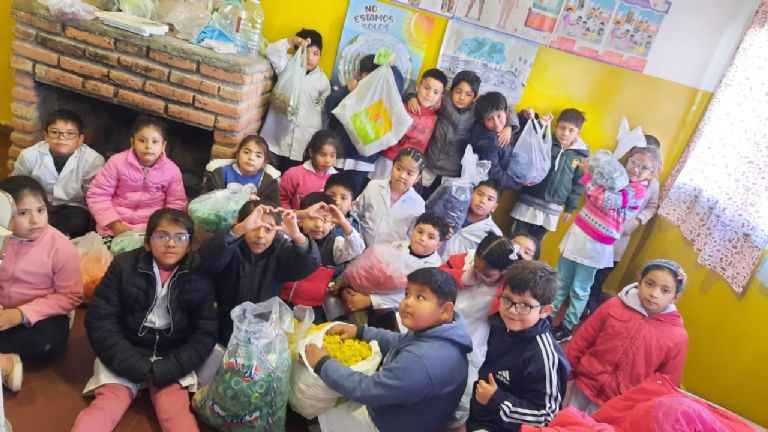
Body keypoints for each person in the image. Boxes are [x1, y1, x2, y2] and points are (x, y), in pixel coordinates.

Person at [73, 209, 217, 432]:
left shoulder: (199, 273)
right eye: (162, 236)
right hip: (126, 348)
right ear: (148, 243)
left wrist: (170, 367)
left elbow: (205, 330)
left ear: (189, 245)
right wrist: (132, 364)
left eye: (180, 237)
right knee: (108, 404)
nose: (171, 243)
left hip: (171, 354)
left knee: (175, 411)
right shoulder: (123, 266)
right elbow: (100, 319)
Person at [304, 267, 473, 432]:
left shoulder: (422, 360)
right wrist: (360, 332)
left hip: (390, 424)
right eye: (407, 294)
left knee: (325, 410)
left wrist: (323, 364)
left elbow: (367, 390)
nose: (407, 302)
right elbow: (399, 341)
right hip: (409, 413)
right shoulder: (441, 332)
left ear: (445, 311)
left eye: (420, 297)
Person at [551, 146, 662, 342]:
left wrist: (588, 177)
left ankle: (567, 326)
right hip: (578, 233)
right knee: (560, 280)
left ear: (651, 173)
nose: (636, 169)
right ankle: (547, 315)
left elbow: (606, 200)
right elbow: (594, 193)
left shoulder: (638, 190)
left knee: (579, 289)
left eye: (644, 167)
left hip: (596, 244)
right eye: (634, 162)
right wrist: (592, 177)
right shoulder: (616, 174)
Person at [564, 260, 689, 415]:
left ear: (675, 297)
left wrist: (644, 411)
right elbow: (583, 339)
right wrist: (566, 371)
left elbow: (665, 383)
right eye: (650, 284)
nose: (654, 294)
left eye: (665, 291)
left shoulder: (676, 336)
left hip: (619, 404)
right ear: (639, 281)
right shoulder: (614, 306)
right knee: (564, 420)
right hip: (583, 385)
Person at [0, 176, 83, 392]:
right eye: (23, 213)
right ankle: (5, 361)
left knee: (48, 342)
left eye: (40, 210)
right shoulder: (1, 238)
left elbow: (70, 296)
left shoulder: (60, 247)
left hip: (40, 315)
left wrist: (20, 314)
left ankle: (5, 359)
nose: (35, 220)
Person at [467, 260, 569, 431]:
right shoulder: (498, 324)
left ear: (545, 311)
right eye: (507, 299)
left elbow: (546, 416)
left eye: (525, 305)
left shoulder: (543, 355)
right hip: (480, 414)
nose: (512, 310)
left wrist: (496, 399)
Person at [198, 201, 320, 343]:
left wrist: (297, 236)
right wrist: (238, 229)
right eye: (254, 227)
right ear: (241, 224)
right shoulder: (231, 246)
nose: (260, 235)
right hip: (221, 324)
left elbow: (309, 264)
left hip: (262, 329)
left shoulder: (280, 250)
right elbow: (209, 259)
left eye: (268, 229)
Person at [584, 136, 662, 318]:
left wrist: (638, 220)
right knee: (586, 270)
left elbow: (652, 207)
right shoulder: (618, 171)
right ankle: (578, 302)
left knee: (602, 275)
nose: (640, 166)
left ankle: (590, 309)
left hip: (621, 236)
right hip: (601, 228)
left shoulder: (653, 184)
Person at [330, 212, 450, 326]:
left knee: (362, 330)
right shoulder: (399, 246)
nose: (422, 238)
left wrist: (369, 300)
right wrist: (345, 280)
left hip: (386, 307)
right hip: (358, 288)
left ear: (439, 245)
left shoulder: (433, 270)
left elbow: (407, 296)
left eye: (430, 237)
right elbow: (364, 266)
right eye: (419, 231)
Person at [86, 115, 187, 237]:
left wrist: (157, 228)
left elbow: (176, 205)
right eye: (142, 141)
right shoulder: (116, 162)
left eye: (155, 142)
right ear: (133, 142)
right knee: (105, 249)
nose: (148, 146)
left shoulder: (172, 171)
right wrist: (114, 223)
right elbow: (97, 195)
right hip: (112, 228)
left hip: (148, 232)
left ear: (163, 146)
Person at [12, 108, 104, 238]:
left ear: (80, 139)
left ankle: (44, 238)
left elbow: (92, 195)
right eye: (55, 132)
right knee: (19, 219)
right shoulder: (29, 155)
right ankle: (42, 236)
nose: (61, 138)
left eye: (70, 134)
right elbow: (16, 186)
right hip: (36, 205)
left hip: (71, 207)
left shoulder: (93, 160)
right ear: (45, 136)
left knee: (78, 222)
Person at [326, 53, 405, 195]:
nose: (369, 82)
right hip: (340, 154)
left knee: (353, 194)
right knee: (331, 189)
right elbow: (329, 107)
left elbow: (397, 85)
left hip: (363, 160)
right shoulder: (352, 90)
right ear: (359, 74)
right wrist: (346, 90)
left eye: (373, 78)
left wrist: (393, 68)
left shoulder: (381, 98)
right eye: (366, 77)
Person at [281, 193, 365, 322]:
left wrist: (343, 222)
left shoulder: (335, 245)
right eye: (312, 218)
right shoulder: (290, 237)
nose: (318, 225)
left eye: (325, 219)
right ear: (301, 221)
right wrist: (301, 214)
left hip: (314, 311)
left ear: (333, 224)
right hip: (283, 304)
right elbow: (276, 223)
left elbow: (357, 248)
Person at [510, 108, 590, 243]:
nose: (565, 133)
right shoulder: (546, 142)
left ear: (579, 132)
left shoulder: (580, 156)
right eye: (562, 128)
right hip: (530, 200)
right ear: (555, 126)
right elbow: (530, 142)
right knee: (517, 238)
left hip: (552, 209)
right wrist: (541, 124)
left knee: (535, 243)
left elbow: (578, 184)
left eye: (571, 130)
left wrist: (569, 208)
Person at [261, 29, 331, 172]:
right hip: (275, 139)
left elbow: (324, 112)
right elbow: (271, 52)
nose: (310, 58)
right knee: (270, 174)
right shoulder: (286, 65)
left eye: (315, 54)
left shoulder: (322, 81)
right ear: (298, 50)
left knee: (291, 178)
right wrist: (292, 40)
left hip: (302, 145)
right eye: (306, 52)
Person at [370, 69, 448, 180]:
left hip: (411, 168)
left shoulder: (436, 117)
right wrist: (410, 97)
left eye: (435, 92)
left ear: (440, 97)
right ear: (418, 87)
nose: (429, 94)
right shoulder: (402, 107)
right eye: (426, 88)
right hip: (387, 160)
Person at [353, 147, 426, 246]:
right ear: (392, 167)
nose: (402, 176)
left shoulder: (418, 204)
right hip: (360, 244)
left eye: (409, 173)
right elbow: (356, 214)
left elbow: (412, 237)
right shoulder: (373, 186)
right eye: (398, 169)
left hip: (391, 253)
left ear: (417, 178)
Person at [200, 134, 279, 206]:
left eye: (258, 156)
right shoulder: (219, 174)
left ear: (264, 162)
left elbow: (274, 208)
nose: (251, 158)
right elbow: (203, 202)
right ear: (237, 155)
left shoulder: (269, 182)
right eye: (246, 152)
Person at [469, 92, 525, 191]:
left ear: (506, 113)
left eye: (499, 116)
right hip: (484, 189)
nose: (496, 123)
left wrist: (513, 125)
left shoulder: (502, 131)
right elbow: (493, 173)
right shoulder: (490, 141)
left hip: (493, 187)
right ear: (482, 121)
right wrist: (517, 183)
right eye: (489, 119)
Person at [441, 179, 503, 260]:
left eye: (489, 199)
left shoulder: (494, 234)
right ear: (471, 193)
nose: (483, 201)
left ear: (494, 207)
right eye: (479, 194)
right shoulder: (451, 211)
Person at [279, 129, 340, 209]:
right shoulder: (294, 174)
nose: (327, 160)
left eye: (332, 156)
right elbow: (282, 199)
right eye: (322, 155)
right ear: (311, 153)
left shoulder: (338, 179)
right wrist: (295, 214)